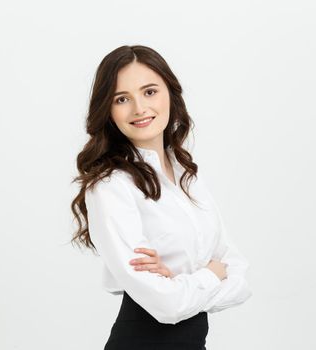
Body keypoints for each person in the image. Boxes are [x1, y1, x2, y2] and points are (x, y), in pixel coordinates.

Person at [70, 45, 252, 350]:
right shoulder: (111, 185)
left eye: (150, 92)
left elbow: (239, 277)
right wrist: (208, 275)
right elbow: (167, 307)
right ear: (108, 110)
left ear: (170, 92)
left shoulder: (186, 175)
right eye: (122, 99)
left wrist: (179, 282)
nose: (139, 108)